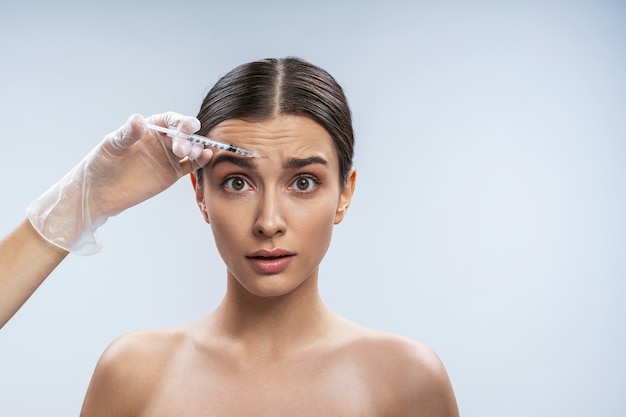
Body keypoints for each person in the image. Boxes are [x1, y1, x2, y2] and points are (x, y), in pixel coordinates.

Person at [2, 57, 459, 416]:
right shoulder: (131, 375)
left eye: (303, 182)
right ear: (200, 193)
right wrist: (84, 200)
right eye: (237, 182)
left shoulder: (409, 381)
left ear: (344, 194)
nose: (268, 221)